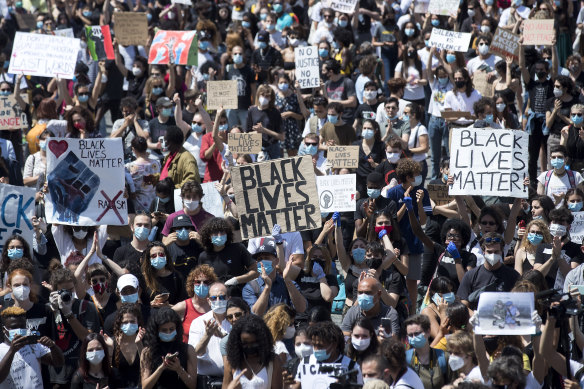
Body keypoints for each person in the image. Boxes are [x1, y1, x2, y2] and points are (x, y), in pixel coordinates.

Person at [0, 306, 64, 387]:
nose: (19, 330)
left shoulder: (33, 345)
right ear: (4, 329)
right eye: (14, 327)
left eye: (22, 326)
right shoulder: (1, 350)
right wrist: (12, 351)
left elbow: (59, 363)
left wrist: (52, 346)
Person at [456, 232, 520, 308]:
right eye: (489, 252)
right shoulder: (471, 275)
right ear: (483, 251)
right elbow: (463, 301)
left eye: (496, 252)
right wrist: (474, 316)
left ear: (502, 251)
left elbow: (519, 301)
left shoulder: (513, 275)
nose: (493, 255)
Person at [198, 217, 258, 297]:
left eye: (222, 232)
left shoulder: (238, 248)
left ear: (227, 233)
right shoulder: (203, 256)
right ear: (209, 235)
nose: (219, 235)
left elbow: (255, 272)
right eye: (215, 232)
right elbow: (202, 280)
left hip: (240, 296)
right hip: (217, 299)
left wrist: (237, 280)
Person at [290, 321, 363, 386]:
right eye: (314, 345)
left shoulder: (351, 366)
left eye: (320, 346)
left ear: (334, 344)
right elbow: (297, 385)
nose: (316, 349)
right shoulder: (306, 362)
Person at [242, 243, 306, 316]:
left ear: (276, 261)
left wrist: (288, 281)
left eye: (266, 258)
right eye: (260, 259)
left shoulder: (288, 284)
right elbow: (256, 313)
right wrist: (267, 287)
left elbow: (301, 309)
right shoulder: (250, 287)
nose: (263, 262)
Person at [140, 307, 198, 389]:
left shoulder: (188, 349)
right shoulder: (148, 352)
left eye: (171, 329)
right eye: (164, 330)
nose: (168, 332)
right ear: (156, 331)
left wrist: (179, 369)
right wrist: (161, 368)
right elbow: (145, 386)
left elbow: (192, 385)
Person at [223, 313, 283, 389]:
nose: (249, 347)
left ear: (262, 341)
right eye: (245, 343)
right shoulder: (231, 362)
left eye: (254, 343)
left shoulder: (273, 361)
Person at [189, 282, 231, 388]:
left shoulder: (236, 320)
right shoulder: (198, 323)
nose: (218, 301)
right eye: (214, 298)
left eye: (222, 297)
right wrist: (207, 335)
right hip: (206, 383)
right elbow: (195, 353)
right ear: (208, 300)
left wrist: (223, 336)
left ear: (228, 299)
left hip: (232, 380)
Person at [404, 314, 451, 389]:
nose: (413, 338)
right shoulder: (405, 359)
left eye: (416, 334)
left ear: (428, 331)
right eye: (410, 335)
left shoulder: (444, 358)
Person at [173, 264, 217, 342]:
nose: (202, 285)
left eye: (206, 282)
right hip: (188, 352)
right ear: (192, 284)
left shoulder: (217, 305)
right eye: (198, 282)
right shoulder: (182, 307)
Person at [110, 304, 145, 389]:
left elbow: (146, 367)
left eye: (132, 321)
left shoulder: (145, 341)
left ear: (138, 322)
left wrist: (139, 343)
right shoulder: (112, 342)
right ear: (120, 324)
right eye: (125, 322)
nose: (129, 325)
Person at [140, 242, 186, 306]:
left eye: (161, 254)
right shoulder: (143, 279)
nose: (158, 258)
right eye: (154, 256)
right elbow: (141, 306)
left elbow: (183, 304)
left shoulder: (177, 277)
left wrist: (168, 306)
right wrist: (152, 304)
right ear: (149, 259)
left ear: (166, 257)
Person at [245, 84, 285, 159]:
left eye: (267, 96)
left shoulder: (275, 112)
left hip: (273, 149)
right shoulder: (252, 111)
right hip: (257, 148)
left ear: (271, 98)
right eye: (262, 95)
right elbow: (247, 133)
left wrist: (264, 130)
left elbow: (282, 137)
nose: (264, 98)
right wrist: (257, 132)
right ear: (258, 95)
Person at [164, 214, 204, 279]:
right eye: (179, 228)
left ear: (191, 229)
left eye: (186, 227)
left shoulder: (197, 244)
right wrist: (163, 246)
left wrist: (202, 242)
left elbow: (213, 256)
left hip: (194, 283)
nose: (183, 230)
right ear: (174, 230)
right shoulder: (168, 246)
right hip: (175, 284)